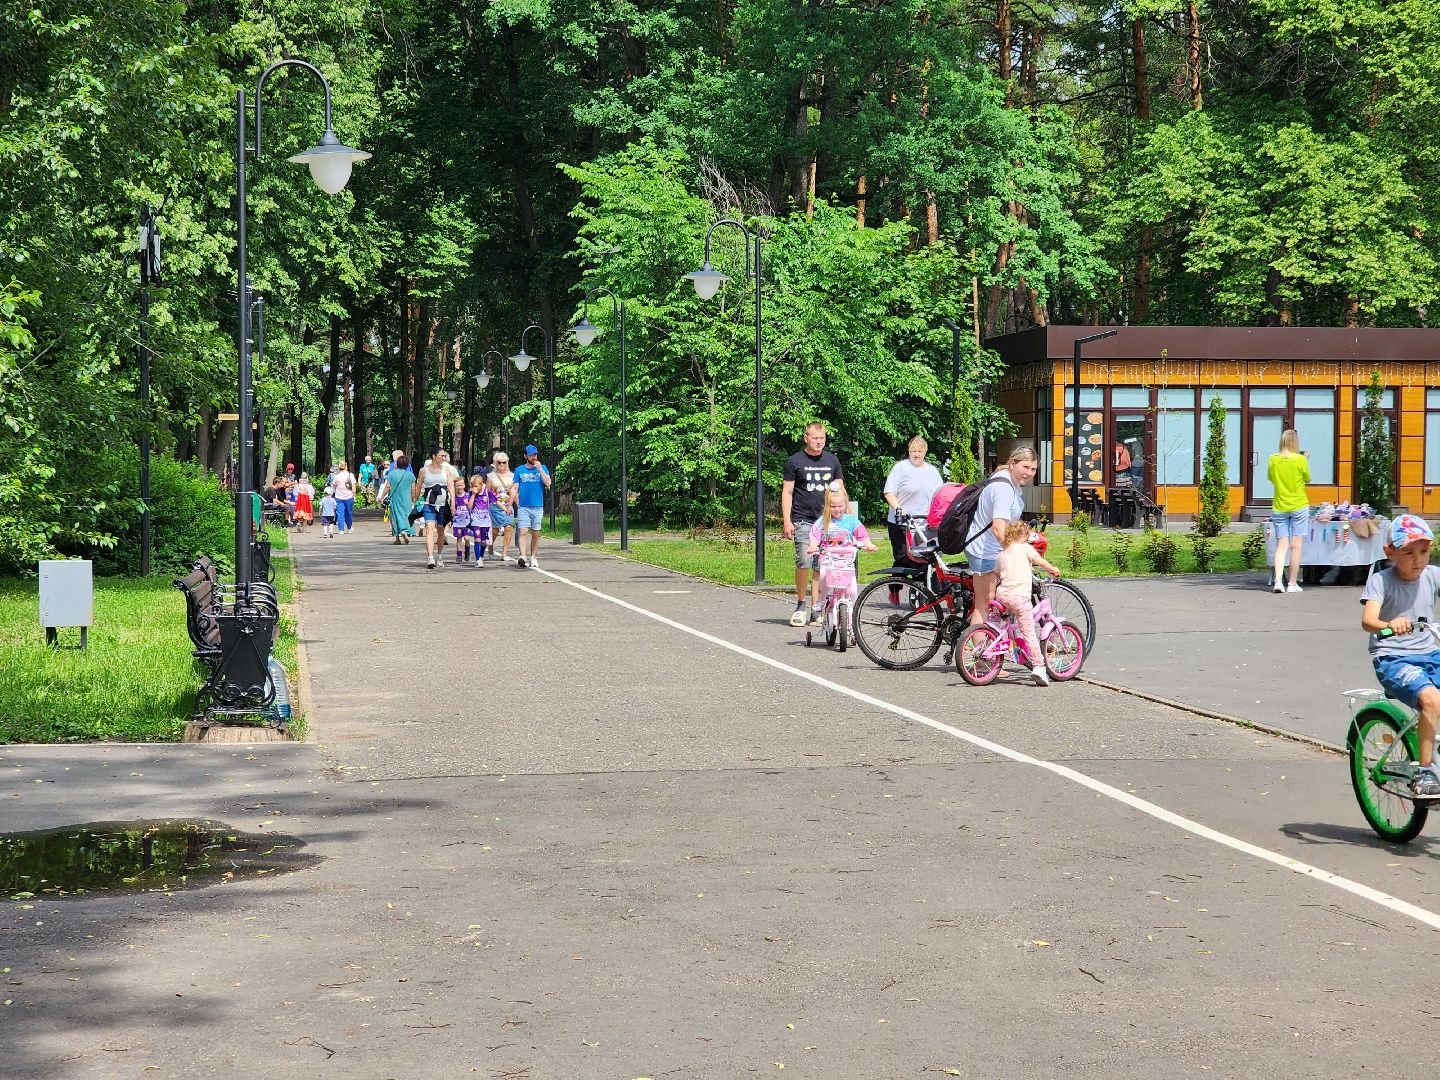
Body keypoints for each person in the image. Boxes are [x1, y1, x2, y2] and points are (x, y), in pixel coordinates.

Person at [1360, 515, 1440, 799]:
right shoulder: (1382, 581)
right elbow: (1369, 620)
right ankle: (1424, 771)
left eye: (1423, 552)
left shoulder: (1433, 575)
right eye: (1408, 552)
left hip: (1431, 652)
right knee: (1431, 699)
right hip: (1394, 658)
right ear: (1390, 552)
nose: (1417, 560)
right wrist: (1389, 625)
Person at [966, 446, 1038, 626]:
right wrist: (1015, 551)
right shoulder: (1003, 488)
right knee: (985, 605)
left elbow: (1009, 521)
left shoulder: (1011, 483)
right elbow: (999, 529)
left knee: (997, 603)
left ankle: (995, 644)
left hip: (993, 548)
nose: (1029, 473)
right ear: (1013, 463)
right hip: (985, 550)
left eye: (1033, 469)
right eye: (1025, 467)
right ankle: (977, 651)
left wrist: (1027, 534)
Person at [782, 421, 843, 627]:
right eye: (815, 438)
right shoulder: (794, 461)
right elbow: (787, 492)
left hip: (827, 520)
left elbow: (839, 490)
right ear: (806, 438)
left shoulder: (832, 460)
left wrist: (847, 518)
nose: (819, 442)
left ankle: (816, 609)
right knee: (803, 562)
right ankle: (800, 605)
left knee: (821, 566)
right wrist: (787, 521)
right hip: (802, 519)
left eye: (823, 438)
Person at [995, 519, 1063, 686]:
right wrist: (1052, 569)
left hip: (1002, 595)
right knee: (1028, 631)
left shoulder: (1003, 554)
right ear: (1024, 537)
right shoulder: (1025, 548)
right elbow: (1039, 560)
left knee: (999, 621)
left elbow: (997, 572)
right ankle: (1039, 667)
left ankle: (990, 637)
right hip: (1019, 597)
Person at [882, 437, 943, 599]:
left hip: (925, 523)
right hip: (902, 522)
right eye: (913, 451)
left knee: (925, 558)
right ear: (908, 451)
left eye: (920, 451)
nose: (916, 454)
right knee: (904, 558)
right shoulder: (901, 468)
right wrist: (898, 509)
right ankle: (894, 590)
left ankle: (922, 591)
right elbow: (889, 492)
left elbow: (939, 495)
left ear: (925, 452)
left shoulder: (932, 471)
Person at [807, 481, 879, 614]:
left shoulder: (851, 521)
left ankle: (853, 614)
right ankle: (822, 599)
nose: (837, 509)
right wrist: (812, 546)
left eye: (840, 505)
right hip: (828, 558)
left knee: (852, 589)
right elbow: (815, 535)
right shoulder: (823, 521)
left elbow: (862, 534)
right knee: (823, 576)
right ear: (828, 506)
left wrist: (868, 545)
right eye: (833, 506)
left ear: (846, 504)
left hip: (846, 560)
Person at [1267, 428, 1311, 594]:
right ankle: (1292, 583)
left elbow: (1271, 478)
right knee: (1296, 545)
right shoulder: (1300, 460)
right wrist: (1305, 460)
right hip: (1299, 505)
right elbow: (1307, 478)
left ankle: (1278, 581)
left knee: (1281, 545)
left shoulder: (1273, 459)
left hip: (1279, 506)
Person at [413, 448, 456, 570]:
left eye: (445, 455)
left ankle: (440, 555)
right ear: (433, 456)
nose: (444, 457)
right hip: (428, 503)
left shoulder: (446, 470)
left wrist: (453, 503)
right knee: (430, 528)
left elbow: (451, 487)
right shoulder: (424, 471)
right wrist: (416, 501)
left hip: (443, 504)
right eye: (441, 455)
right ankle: (430, 556)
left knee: (441, 530)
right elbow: (418, 486)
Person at [511, 444, 552, 569]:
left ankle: (533, 557)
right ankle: (522, 556)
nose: (534, 457)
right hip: (523, 506)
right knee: (523, 531)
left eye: (535, 454)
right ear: (525, 456)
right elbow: (514, 488)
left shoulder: (542, 467)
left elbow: (548, 483)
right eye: (531, 455)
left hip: (537, 506)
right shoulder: (519, 470)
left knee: (535, 533)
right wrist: (509, 504)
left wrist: (540, 469)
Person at [380, 454, 415, 545]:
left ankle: (397, 538)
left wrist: (382, 496)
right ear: (407, 464)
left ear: (397, 464)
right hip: (407, 499)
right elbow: (413, 489)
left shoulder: (391, 474)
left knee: (394, 516)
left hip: (394, 498)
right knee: (406, 515)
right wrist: (414, 498)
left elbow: (387, 487)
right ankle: (405, 531)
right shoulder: (410, 475)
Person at [488, 452, 517, 562]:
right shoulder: (491, 476)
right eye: (499, 462)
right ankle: (490, 547)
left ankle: (504, 553)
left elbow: (515, 492)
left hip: (508, 505)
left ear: (507, 463)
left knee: (508, 527)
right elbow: (488, 492)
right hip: (495, 505)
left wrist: (518, 505)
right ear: (495, 463)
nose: (501, 465)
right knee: (495, 530)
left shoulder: (513, 476)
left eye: (503, 462)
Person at [470, 467, 495, 562]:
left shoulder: (487, 492)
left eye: (476, 486)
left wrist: (506, 509)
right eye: (473, 486)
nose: (474, 488)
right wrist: (473, 495)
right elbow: (469, 506)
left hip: (485, 520)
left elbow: (496, 501)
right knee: (477, 539)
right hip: (476, 520)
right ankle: (478, 560)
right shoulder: (472, 493)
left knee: (484, 541)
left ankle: (481, 556)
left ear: (481, 485)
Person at [332, 460, 357, 535]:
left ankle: (341, 530)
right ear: (346, 466)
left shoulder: (336, 476)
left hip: (339, 497)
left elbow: (333, 486)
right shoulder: (350, 475)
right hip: (349, 496)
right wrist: (354, 495)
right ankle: (349, 528)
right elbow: (354, 487)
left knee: (340, 513)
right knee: (348, 513)